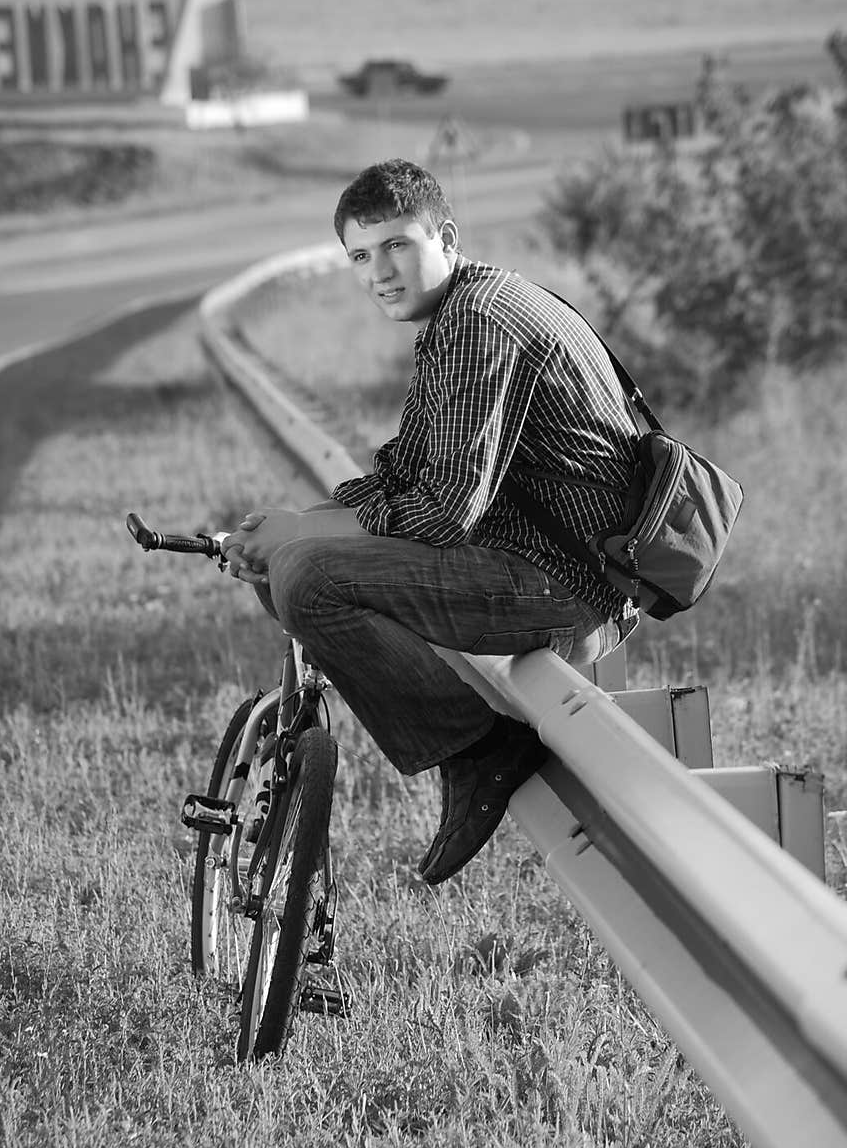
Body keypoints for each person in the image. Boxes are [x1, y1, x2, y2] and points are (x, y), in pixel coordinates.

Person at [221, 158, 640, 885]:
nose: (379, 271)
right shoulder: (458, 314)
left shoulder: (481, 322)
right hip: (527, 563)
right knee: (287, 564)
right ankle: (465, 741)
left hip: (565, 586)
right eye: (360, 255)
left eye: (397, 246)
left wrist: (302, 538)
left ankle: (479, 751)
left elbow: (443, 514)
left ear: (445, 236)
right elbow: (406, 473)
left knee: (307, 577)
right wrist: (297, 520)